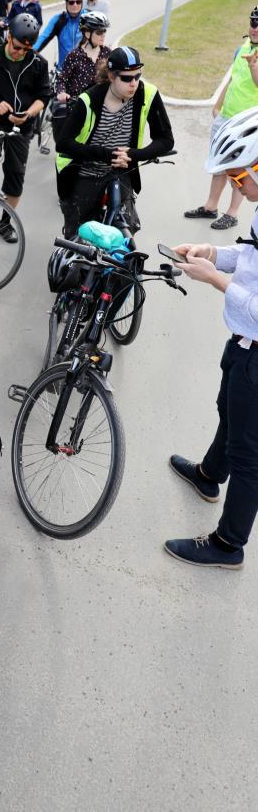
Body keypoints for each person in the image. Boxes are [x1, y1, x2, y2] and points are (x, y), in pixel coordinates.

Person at [165, 107, 258, 569]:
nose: (236, 185)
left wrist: (217, 281)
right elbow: (252, 257)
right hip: (243, 345)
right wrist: (213, 254)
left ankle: (228, 545)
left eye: (240, 174)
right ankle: (207, 475)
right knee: (229, 413)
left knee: (250, 457)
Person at [55, 46, 174, 237]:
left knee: (125, 234)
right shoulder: (88, 100)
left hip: (121, 172)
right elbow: (63, 143)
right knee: (80, 236)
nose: (133, 83)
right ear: (111, 76)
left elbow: (166, 139)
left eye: (137, 76)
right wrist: (106, 155)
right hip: (86, 172)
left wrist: (133, 155)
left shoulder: (148, 94)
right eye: (126, 78)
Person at [0, 13, 52, 243]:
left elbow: (43, 97)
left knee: (16, 179)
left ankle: (5, 223)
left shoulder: (37, 63)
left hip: (21, 127)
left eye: (26, 49)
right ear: (9, 37)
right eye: (16, 47)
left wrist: (28, 114)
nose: (20, 52)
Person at [184, 7, 258, 231]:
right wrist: (218, 104)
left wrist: (254, 66)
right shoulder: (242, 48)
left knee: (241, 170)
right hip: (226, 116)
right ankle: (210, 206)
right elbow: (233, 79)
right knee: (219, 164)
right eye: (253, 23)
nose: (255, 28)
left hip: (246, 124)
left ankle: (232, 213)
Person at [55, 11, 111, 102]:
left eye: (104, 31)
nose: (103, 35)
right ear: (87, 33)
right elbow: (61, 79)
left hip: (101, 106)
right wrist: (61, 92)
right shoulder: (74, 56)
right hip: (78, 107)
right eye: (99, 32)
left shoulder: (107, 53)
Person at [34, 0, 85, 70]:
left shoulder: (89, 18)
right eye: (71, 2)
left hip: (84, 71)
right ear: (66, 3)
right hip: (63, 71)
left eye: (78, 2)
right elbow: (43, 37)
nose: (75, 5)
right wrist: (28, 52)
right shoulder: (59, 20)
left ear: (82, 3)